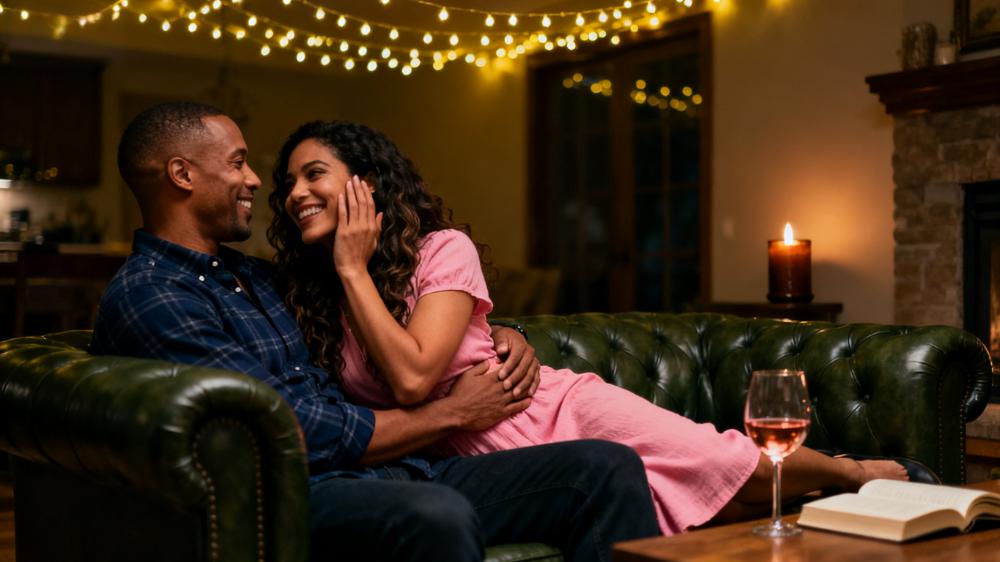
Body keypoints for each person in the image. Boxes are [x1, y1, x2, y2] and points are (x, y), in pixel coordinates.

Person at [267, 120, 910, 535]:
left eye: (313, 173)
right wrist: (347, 276)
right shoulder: (313, 302)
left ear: (367, 184)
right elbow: (397, 391)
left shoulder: (442, 249)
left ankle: (853, 473)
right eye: (288, 183)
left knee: (718, 458)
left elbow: (412, 376)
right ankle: (834, 500)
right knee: (683, 502)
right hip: (478, 459)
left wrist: (352, 267)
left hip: (552, 411)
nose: (296, 192)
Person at [91, 101, 661, 562]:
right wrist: (450, 414)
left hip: (400, 468)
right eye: (238, 162)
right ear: (182, 174)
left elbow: (375, 316)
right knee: (435, 514)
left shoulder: (257, 277)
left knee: (603, 468)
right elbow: (279, 429)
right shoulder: (154, 295)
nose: (255, 180)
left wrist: (503, 331)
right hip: (296, 492)